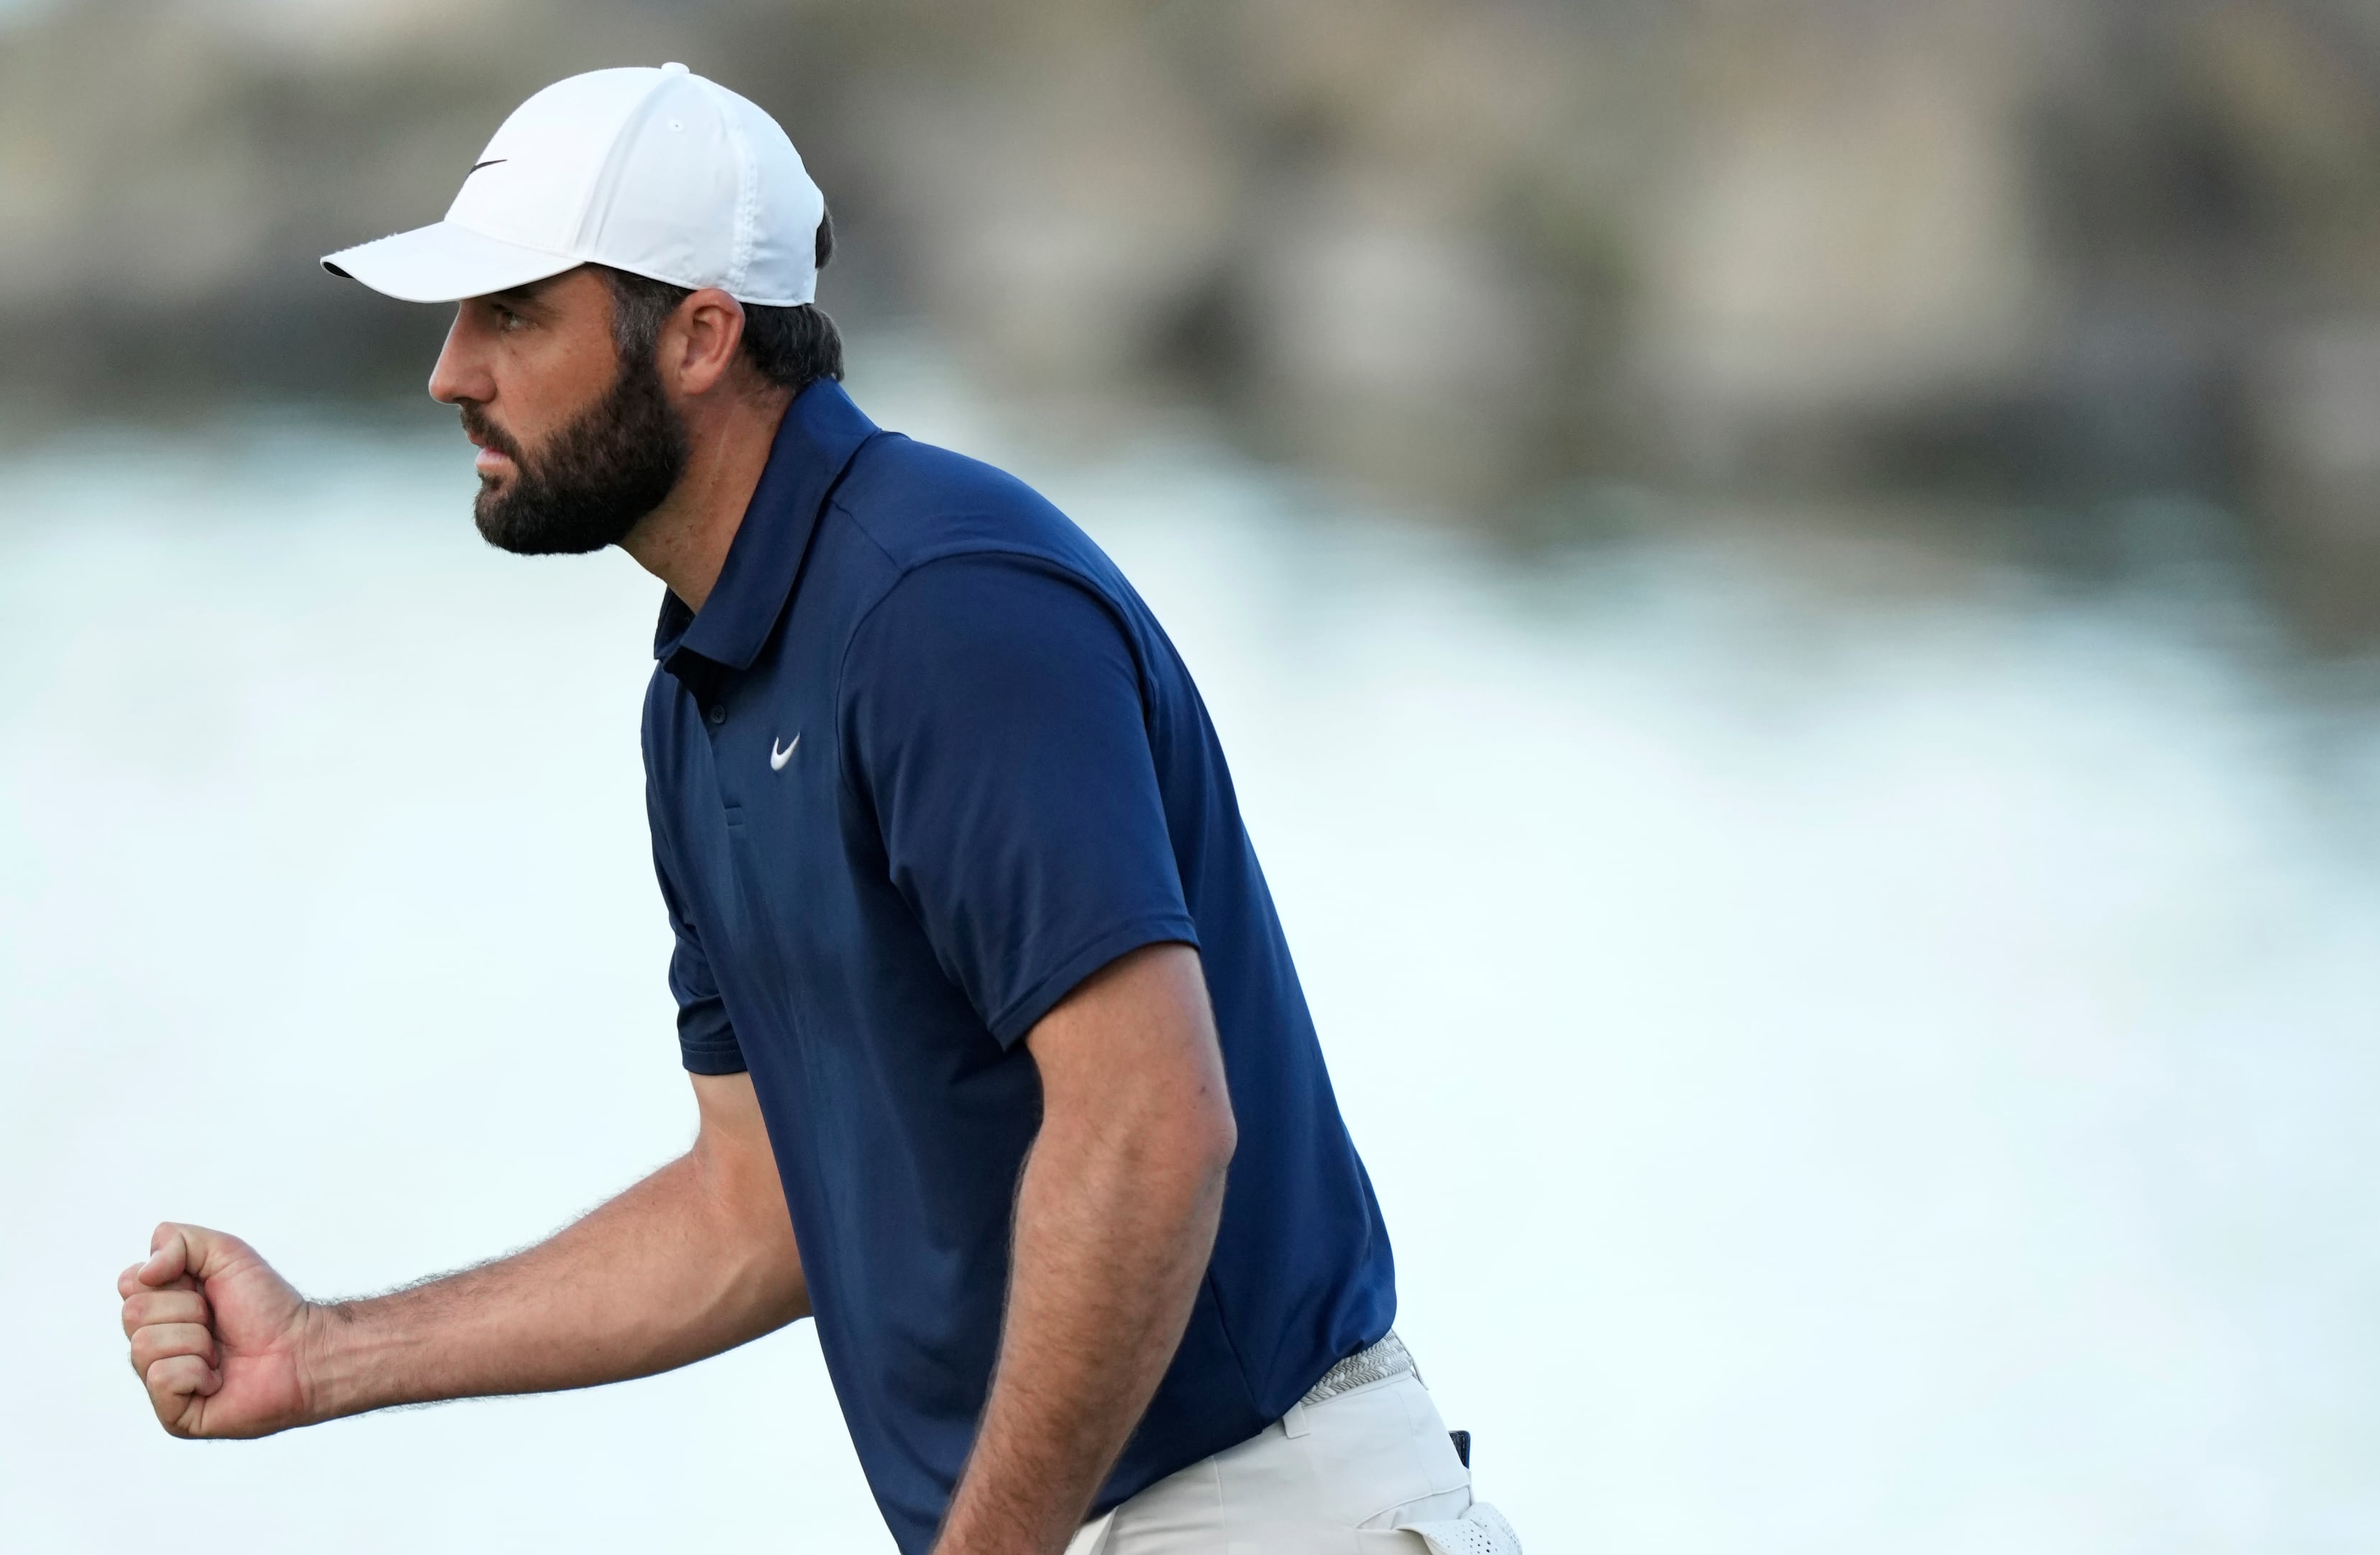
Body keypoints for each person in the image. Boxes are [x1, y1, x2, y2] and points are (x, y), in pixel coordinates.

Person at [113, 65, 1518, 1555]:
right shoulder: (702, 693)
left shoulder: (941, 607)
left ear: (704, 336)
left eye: (514, 313)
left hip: (1260, 1514)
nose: (451, 371)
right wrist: (324, 1352)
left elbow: (1154, 1129)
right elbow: (755, 1206)